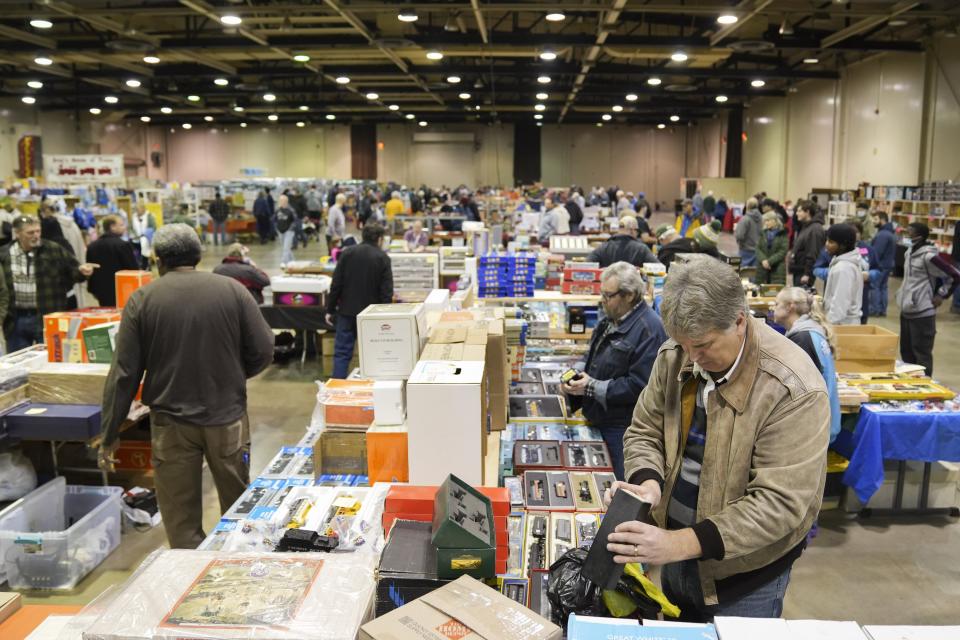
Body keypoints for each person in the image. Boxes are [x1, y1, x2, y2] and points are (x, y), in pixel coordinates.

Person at [607, 255, 829, 621]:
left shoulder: (793, 388)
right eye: (683, 344)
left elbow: (779, 504)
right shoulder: (678, 354)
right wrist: (648, 483)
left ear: (739, 321)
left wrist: (678, 544)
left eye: (703, 345)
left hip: (744, 578)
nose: (692, 358)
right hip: (675, 554)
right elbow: (645, 430)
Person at [98, 224, 273, 549]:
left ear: (159, 260)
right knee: (238, 507)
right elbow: (264, 349)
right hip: (227, 417)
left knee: (180, 518)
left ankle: (191, 579)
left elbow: (125, 372)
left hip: (171, 423)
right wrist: (233, 376)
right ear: (198, 255)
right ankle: (237, 566)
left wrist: (110, 432)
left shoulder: (142, 299)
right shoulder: (232, 290)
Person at [562, 262, 667, 480]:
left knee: (618, 487)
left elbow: (640, 387)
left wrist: (590, 386)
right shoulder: (611, 319)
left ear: (629, 295)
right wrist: (577, 372)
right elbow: (591, 355)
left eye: (608, 295)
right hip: (599, 418)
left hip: (622, 429)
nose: (603, 300)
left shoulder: (650, 331)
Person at [0, 216, 97, 351]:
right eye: (30, 233)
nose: (35, 236)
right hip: (15, 320)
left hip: (47, 315)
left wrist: (82, 271)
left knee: (50, 358)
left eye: (38, 231)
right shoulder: (4, 254)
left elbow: (73, 271)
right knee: (17, 364)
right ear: (17, 233)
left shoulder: (53, 249)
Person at [325, 223, 393, 379]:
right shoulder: (383, 258)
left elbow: (336, 284)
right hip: (372, 316)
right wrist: (386, 315)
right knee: (373, 353)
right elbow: (386, 292)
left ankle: (337, 389)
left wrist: (330, 309)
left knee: (342, 353)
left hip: (347, 312)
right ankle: (372, 387)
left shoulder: (347, 253)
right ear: (380, 239)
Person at [774, 287, 841, 443]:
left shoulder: (802, 338)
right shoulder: (811, 331)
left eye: (777, 304)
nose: (773, 308)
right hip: (824, 421)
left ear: (790, 306)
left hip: (814, 428)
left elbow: (797, 390)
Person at [898, 222, 960, 376]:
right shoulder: (909, 252)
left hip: (923, 313)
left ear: (919, 234)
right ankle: (910, 388)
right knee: (906, 352)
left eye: (910, 230)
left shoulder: (929, 256)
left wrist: (941, 294)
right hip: (906, 310)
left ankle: (925, 389)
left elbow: (954, 275)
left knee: (922, 355)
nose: (907, 232)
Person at [85, 215, 139, 307]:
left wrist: (93, 290)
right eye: (121, 225)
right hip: (122, 290)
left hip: (101, 291)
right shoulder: (122, 245)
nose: (124, 227)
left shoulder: (92, 247)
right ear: (112, 227)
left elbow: (90, 270)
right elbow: (133, 269)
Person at [822, 224, 862, 326]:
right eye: (827, 240)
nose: (826, 244)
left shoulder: (844, 268)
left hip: (842, 325)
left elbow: (840, 305)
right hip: (841, 323)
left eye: (831, 242)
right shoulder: (842, 263)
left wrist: (826, 325)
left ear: (843, 245)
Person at [587, 216, 659, 268]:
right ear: (632, 230)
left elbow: (587, 264)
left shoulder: (603, 247)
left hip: (609, 287)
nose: (637, 234)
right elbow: (658, 267)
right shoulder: (642, 249)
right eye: (637, 231)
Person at [789, 200, 826, 287]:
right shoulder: (806, 226)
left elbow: (813, 253)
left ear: (807, 212)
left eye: (799, 211)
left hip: (804, 273)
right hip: (799, 270)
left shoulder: (815, 229)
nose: (796, 213)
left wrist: (807, 274)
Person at [870, 211, 896, 316]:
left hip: (880, 266)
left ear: (882, 220)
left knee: (875, 286)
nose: (873, 222)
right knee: (883, 287)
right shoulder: (889, 233)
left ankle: (875, 309)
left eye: (876, 219)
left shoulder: (882, 235)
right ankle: (882, 309)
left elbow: (877, 252)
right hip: (888, 264)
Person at [755, 211, 788, 285]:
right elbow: (757, 248)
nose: (766, 223)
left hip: (777, 269)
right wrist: (763, 260)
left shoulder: (783, 234)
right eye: (765, 221)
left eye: (768, 220)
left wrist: (769, 261)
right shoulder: (763, 233)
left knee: (775, 292)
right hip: (762, 268)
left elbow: (783, 251)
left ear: (775, 220)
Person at [734, 197, 762, 267]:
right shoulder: (762, 218)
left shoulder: (745, 219)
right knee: (754, 274)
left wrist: (739, 242)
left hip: (745, 250)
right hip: (758, 251)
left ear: (747, 206)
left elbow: (739, 235)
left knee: (743, 274)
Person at [275, 194, 297, 267]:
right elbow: (274, 219)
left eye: (283, 201)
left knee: (286, 248)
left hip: (289, 231)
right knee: (285, 247)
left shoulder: (291, 210)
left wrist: (291, 228)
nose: (281, 202)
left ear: (286, 201)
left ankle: (283, 262)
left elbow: (295, 220)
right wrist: (277, 228)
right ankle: (292, 260)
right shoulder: (278, 210)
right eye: (280, 201)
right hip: (280, 231)